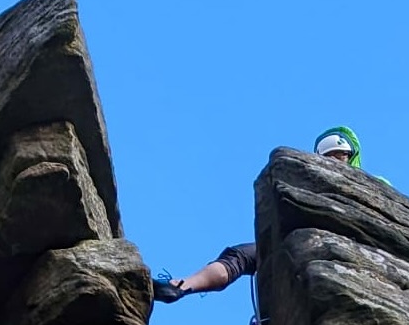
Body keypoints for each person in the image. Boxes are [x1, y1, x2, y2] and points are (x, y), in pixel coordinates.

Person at [153, 128, 367, 303]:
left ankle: (181, 286)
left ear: (351, 157)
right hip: (303, 241)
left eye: (340, 156)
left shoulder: (374, 189)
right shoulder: (313, 186)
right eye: (329, 157)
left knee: (244, 256)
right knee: (240, 255)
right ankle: (181, 286)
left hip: (337, 245)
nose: (335, 162)